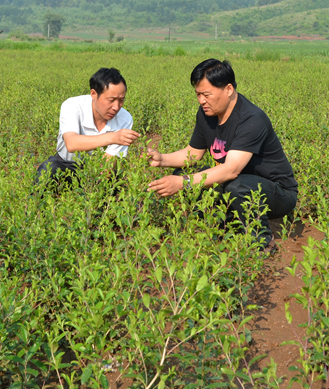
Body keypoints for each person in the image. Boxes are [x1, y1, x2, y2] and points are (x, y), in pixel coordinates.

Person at [147, 58, 297, 251]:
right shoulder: (206, 114)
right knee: (182, 172)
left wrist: (182, 183)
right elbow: (193, 153)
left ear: (228, 89)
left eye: (206, 94)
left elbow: (231, 170)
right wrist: (162, 159)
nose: (201, 100)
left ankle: (261, 242)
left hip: (277, 192)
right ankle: (223, 226)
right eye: (198, 94)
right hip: (237, 183)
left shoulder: (251, 119)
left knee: (234, 185)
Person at [35, 67, 139, 183]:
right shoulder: (73, 105)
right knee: (48, 170)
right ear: (94, 94)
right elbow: (71, 143)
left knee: (113, 185)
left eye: (121, 100)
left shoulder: (125, 118)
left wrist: (93, 190)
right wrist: (113, 138)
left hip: (97, 169)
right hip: (65, 165)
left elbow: (107, 165)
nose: (116, 107)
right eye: (111, 100)